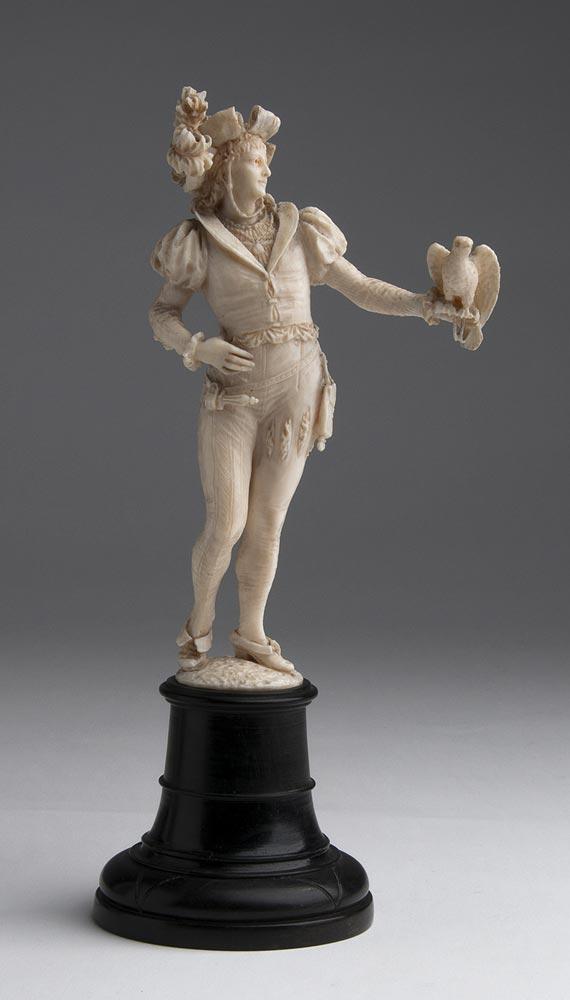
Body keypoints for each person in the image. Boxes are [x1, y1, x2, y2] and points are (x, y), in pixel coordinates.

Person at [149, 87, 461, 676]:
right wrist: (196, 346)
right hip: (233, 394)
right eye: (254, 159)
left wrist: (425, 305)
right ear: (226, 170)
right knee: (227, 522)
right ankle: (198, 624)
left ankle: (251, 631)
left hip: (297, 391)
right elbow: (162, 313)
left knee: (267, 523)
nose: (266, 168)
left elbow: (360, 287)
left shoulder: (299, 229)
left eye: (267, 160)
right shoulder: (199, 240)